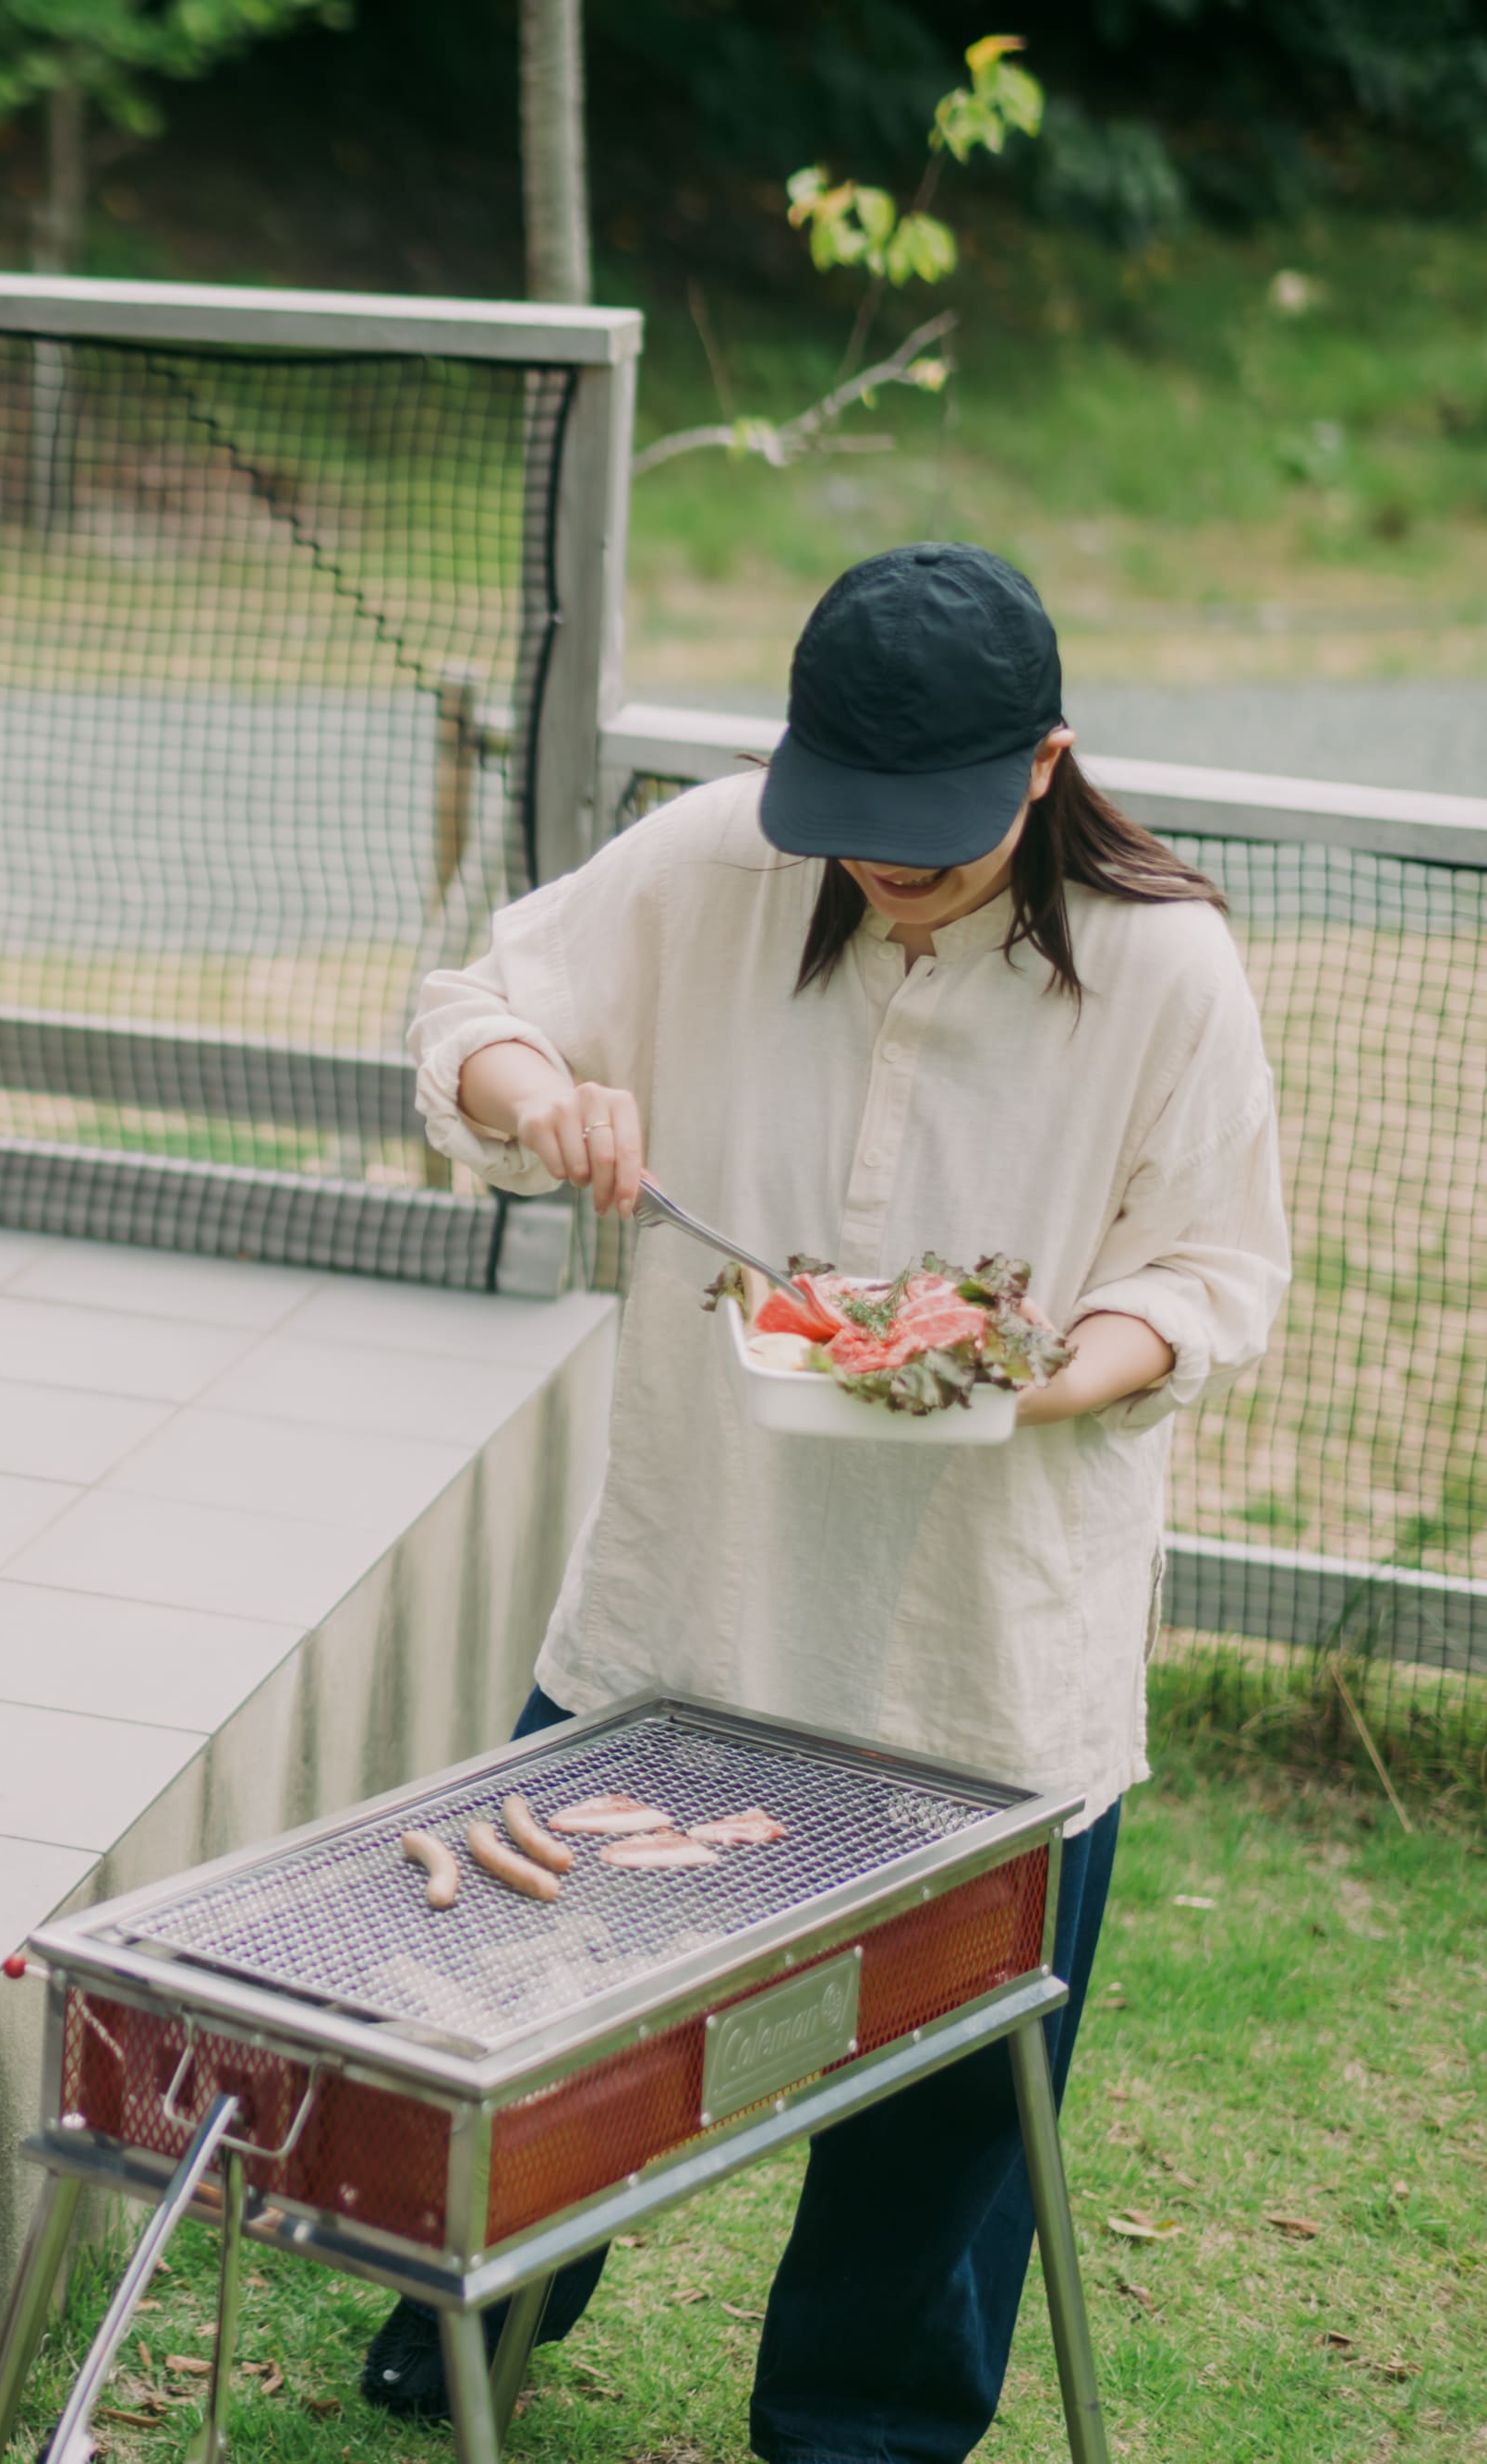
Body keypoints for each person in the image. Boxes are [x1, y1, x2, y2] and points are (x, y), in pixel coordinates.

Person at [393, 542, 1288, 2460]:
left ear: (1040, 765)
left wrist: (1030, 1371)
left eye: (929, 831)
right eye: (848, 820)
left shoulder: (1162, 964)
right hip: (687, 1580)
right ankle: (460, 2324)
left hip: (987, 1623)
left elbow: (1210, 1274)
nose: (880, 862)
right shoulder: (714, 853)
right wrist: (528, 1083)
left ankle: (860, 2426)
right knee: (534, 1993)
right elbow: (468, 1002)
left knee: (953, 2079)